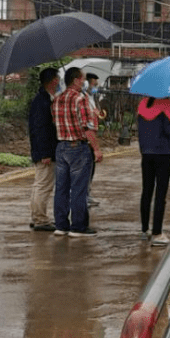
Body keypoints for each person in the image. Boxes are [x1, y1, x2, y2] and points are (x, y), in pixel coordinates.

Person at [51, 66, 102, 237]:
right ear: (75, 80)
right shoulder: (80, 99)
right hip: (78, 147)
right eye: (82, 79)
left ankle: (61, 225)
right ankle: (78, 226)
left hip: (61, 146)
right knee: (79, 188)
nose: (84, 82)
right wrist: (96, 149)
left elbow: (55, 122)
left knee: (61, 188)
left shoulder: (57, 99)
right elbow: (87, 127)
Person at [136, 95, 170, 247]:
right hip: (163, 154)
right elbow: (168, 130)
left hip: (146, 153)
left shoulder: (143, 104)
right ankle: (157, 232)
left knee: (146, 192)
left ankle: (144, 230)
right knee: (160, 194)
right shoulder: (167, 104)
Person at [27, 67, 60, 232]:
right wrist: (45, 153)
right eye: (58, 78)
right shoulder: (42, 101)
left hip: (44, 150)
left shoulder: (47, 99)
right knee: (43, 185)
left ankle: (37, 216)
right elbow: (40, 129)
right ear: (53, 80)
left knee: (40, 184)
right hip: (45, 152)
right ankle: (40, 219)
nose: (60, 80)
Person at [82, 73, 104, 207]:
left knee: (91, 169)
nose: (95, 87)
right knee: (85, 170)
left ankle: (87, 194)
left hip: (92, 136)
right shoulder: (82, 98)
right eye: (94, 84)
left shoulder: (91, 97)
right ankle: (83, 197)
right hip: (86, 139)